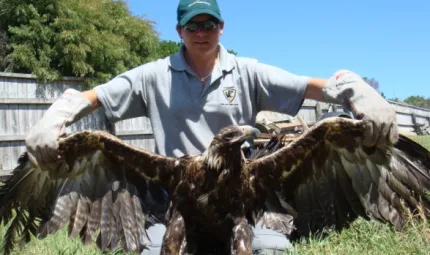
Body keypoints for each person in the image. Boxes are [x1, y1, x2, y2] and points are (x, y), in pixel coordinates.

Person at [25, 0, 399, 254]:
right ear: (180, 30)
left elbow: (309, 86)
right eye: (192, 25)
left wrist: (354, 88)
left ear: (221, 27)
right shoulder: (153, 76)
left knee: (271, 249)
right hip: (173, 200)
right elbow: (95, 96)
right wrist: (57, 116)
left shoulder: (248, 71)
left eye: (208, 24)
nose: (200, 31)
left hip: (242, 197)